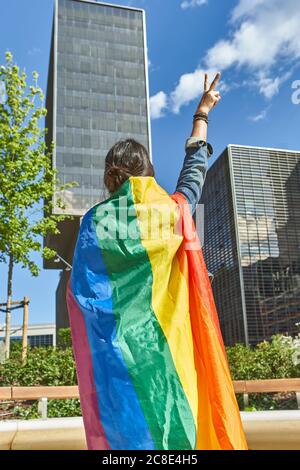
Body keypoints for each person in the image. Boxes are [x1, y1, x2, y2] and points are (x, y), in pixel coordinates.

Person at [66, 73, 248, 451]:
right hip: (172, 366)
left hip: (117, 376)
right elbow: (194, 173)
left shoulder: (92, 225)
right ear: (147, 172)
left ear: (109, 177)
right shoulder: (173, 213)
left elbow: (81, 298)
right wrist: (202, 113)